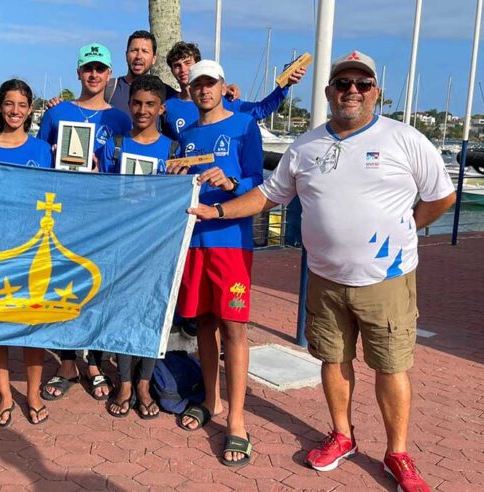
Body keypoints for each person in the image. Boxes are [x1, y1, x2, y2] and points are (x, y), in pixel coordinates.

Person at [188, 51, 456, 491]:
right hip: (325, 278)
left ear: (376, 93)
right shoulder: (305, 146)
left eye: (362, 84)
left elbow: (441, 196)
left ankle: (398, 453)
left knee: (391, 367)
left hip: (385, 279)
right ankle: (342, 434)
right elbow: (268, 196)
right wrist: (216, 211)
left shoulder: (404, 138)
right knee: (332, 361)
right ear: (330, 91)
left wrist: (408, 226)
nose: (352, 90)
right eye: (343, 83)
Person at [167, 60, 263, 467]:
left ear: (224, 86)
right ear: (190, 91)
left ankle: (237, 421)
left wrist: (232, 184)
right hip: (194, 242)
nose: (204, 90)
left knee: (234, 327)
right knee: (204, 322)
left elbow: (261, 183)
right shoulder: (186, 135)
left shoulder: (244, 126)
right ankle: (212, 400)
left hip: (230, 242)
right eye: (198, 84)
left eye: (211, 83)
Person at [37, 43, 131, 402]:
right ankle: (66, 361)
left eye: (100, 69)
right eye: (88, 68)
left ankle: (90, 361)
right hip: (63, 213)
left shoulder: (121, 119)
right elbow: (42, 160)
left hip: (103, 217)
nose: (93, 75)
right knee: (63, 285)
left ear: (109, 75)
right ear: (78, 72)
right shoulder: (57, 114)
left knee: (96, 287)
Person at [0, 79, 53, 426]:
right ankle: (5, 396)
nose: (15, 111)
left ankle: (32, 394)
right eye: (9, 104)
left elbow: (59, 189)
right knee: (0, 323)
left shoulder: (42, 149)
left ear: (30, 109)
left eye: (22, 105)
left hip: (34, 247)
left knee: (33, 323)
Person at [96, 75, 176, 419]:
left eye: (150, 105)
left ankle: (144, 382)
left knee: (153, 312)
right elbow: (103, 193)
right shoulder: (114, 145)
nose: (142, 110)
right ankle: (125, 381)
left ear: (161, 109)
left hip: (160, 245)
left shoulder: (173, 149)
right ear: (129, 105)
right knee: (123, 311)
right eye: (137, 103)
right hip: (122, 244)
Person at [162, 41, 306, 140]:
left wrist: (285, 85)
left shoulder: (223, 101)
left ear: (199, 65)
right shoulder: (167, 105)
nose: (183, 70)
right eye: (177, 66)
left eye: (188, 63)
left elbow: (261, 110)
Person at [104, 30, 177, 113]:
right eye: (134, 50)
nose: (139, 56)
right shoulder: (108, 89)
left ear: (153, 59)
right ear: (126, 55)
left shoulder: (168, 94)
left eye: (145, 51)